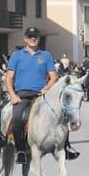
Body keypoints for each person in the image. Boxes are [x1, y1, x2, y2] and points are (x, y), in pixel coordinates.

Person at [7, 27, 60, 164]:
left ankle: (65, 146)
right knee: (17, 118)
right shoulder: (16, 55)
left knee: (62, 114)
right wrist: (12, 95)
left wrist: (46, 88)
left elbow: (54, 77)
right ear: (25, 39)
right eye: (30, 36)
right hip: (22, 94)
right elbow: (9, 78)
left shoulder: (46, 55)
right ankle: (20, 151)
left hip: (40, 94)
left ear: (39, 38)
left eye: (35, 36)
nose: (33, 38)